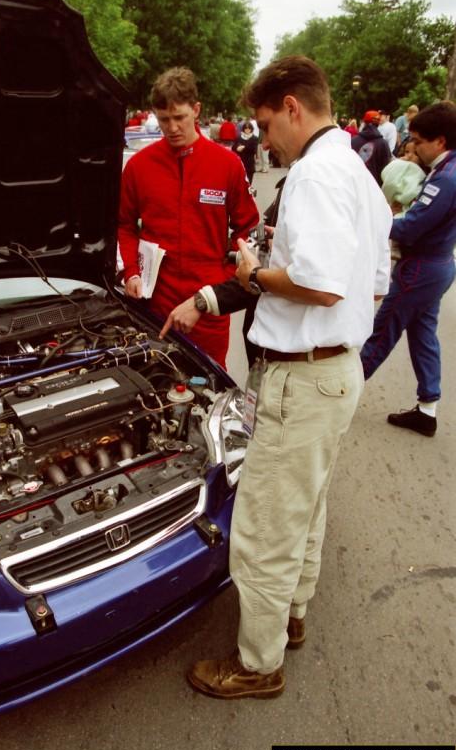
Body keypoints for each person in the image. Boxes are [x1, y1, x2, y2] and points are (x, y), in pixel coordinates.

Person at [162, 55, 391, 700]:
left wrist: (252, 278)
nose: (264, 141)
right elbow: (373, 287)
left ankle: (256, 665)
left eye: (265, 125)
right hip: (337, 374)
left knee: (263, 528)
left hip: (303, 376)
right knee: (306, 507)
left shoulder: (316, 175)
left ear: (293, 106)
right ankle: (291, 614)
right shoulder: (358, 174)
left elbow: (317, 283)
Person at [118, 66, 258, 368]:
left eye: (179, 117)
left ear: (196, 110)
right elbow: (124, 225)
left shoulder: (228, 164)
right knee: (155, 382)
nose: (172, 128)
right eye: (164, 119)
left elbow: (247, 229)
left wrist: (223, 285)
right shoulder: (139, 167)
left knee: (210, 386)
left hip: (208, 302)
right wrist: (131, 271)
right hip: (155, 300)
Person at [361, 101, 456, 437]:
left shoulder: (445, 178)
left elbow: (410, 227)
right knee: (423, 336)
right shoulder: (446, 172)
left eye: (418, 140)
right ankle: (427, 408)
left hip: (420, 269)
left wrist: (373, 218)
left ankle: (340, 396)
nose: (413, 146)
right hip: (438, 265)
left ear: (440, 141)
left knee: (381, 330)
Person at [351, 110, 392, 185]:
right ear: (378, 123)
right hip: (375, 187)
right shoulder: (383, 144)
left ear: (364, 122)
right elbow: (386, 169)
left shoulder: (353, 141)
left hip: (355, 184)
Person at [232, 120, 259, 187]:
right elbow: (233, 147)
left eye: (249, 128)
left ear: (251, 129)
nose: (247, 130)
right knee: (239, 181)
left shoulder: (254, 138)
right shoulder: (238, 137)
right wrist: (237, 148)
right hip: (240, 161)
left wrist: (244, 147)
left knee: (248, 182)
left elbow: (254, 149)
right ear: (243, 129)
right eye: (246, 128)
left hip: (249, 162)